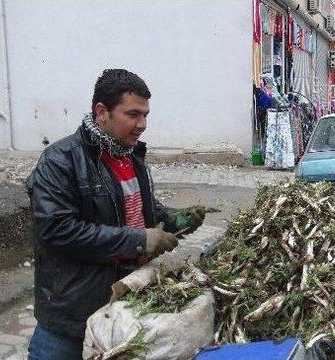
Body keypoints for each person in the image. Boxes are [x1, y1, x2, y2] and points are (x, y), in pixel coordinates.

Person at [25, 69, 205, 359]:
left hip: (121, 307)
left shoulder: (130, 157)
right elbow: (57, 230)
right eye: (133, 114)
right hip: (73, 317)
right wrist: (138, 240)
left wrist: (172, 218)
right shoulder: (60, 160)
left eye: (146, 115)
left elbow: (136, 209)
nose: (142, 124)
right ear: (101, 112)